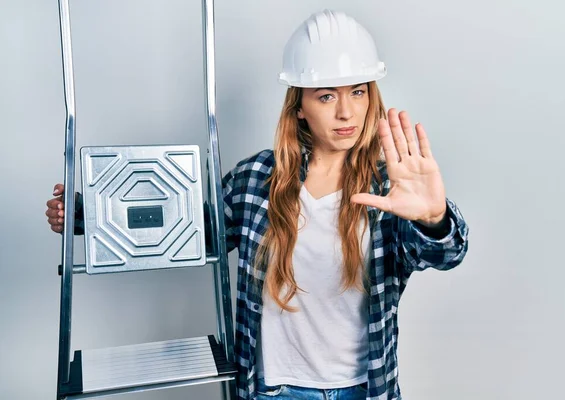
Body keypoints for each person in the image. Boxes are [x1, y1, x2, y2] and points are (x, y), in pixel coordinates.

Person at [46, 9, 469, 400]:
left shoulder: (388, 186)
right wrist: (89, 217)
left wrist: (435, 219)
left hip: (365, 387)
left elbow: (446, 253)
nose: (346, 112)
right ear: (299, 106)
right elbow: (192, 233)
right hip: (276, 390)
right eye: (326, 96)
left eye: (357, 92)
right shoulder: (256, 179)